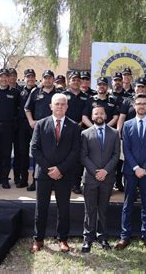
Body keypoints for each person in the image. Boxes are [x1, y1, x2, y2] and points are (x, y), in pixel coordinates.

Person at [30, 93, 82, 253]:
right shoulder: (41, 124)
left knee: (63, 208)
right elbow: (35, 149)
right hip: (44, 174)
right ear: (51, 106)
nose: (60, 106)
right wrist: (49, 169)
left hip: (64, 174)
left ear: (67, 107)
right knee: (41, 207)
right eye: (57, 104)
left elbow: (75, 152)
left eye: (63, 104)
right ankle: (38, 240)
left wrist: (60, 169)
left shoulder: (74, 126)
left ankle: (63, 239)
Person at [115, 94, 146, 250]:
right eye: (138, 103)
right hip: (130, 170)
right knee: (127, 204)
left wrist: (144, 168)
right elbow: (125, 149)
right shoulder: (127, 125)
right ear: (134, 106)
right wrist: (136, 168)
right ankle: (124, 237)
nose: (141, 106)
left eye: (144, 104)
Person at [80, 105, 121, 253]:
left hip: (107, 178)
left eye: (101, 113)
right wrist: (95, 172)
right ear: (92, 116)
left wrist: (105, 171)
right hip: (90, 178)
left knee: (103, 209)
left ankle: (102, 237)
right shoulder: (85, 133)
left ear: (105, 116)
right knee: (89, 210)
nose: (99, 115)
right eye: (96, 113)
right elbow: (83, 156)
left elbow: (116, 155)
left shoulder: (115, 133)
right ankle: (88, 238)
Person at [25, 70, 59, 191]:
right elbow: (27, 108)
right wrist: (31, 121)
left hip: (54, 129)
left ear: (53, 79)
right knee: (37, 156)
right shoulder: (35, 92)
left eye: (50, 78)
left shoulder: (59, 93)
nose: (48, 80)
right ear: (42, 79)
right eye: (46, 78)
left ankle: (53, 181)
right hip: (39, 130)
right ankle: (36, 181)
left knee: (54, 155)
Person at [14, 69, 38, 188]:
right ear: (24, 79)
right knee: (22, 153)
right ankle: (23, 179)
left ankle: (35, 180)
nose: (30, 79)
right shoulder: (19, 92)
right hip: (22, 126)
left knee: (36, 153)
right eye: (28, 77)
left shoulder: (39, 91)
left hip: (35, 125)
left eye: (32, 77)